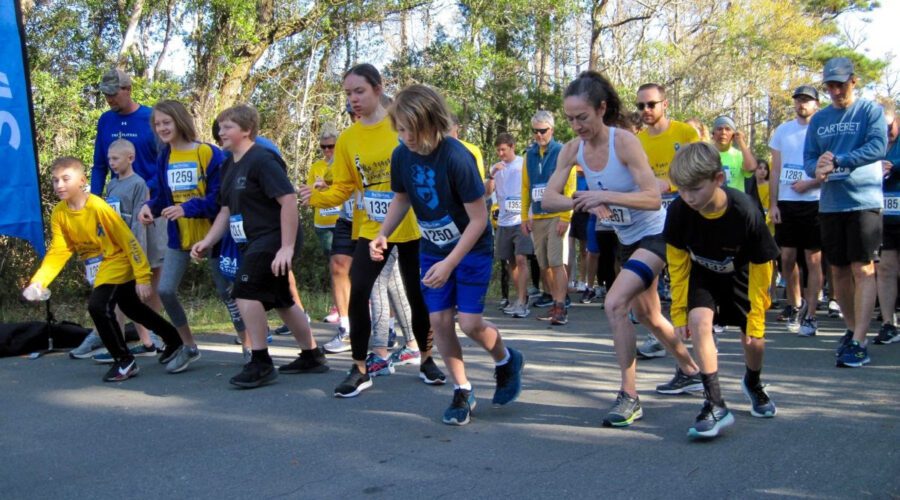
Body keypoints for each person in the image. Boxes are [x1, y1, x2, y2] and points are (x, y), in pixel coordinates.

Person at [542, 71, 702, 427]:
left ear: (601, 109)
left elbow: (650, 196)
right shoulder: (572, 149)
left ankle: (629, 396)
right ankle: (690, 370)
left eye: (582, 117)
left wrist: (606, 196)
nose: (576, 126)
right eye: (569, 119)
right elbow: (549, 199)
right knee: (649, 316)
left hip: (657, 233)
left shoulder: (625, 143)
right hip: (627, 240)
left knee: (615, 304)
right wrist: (581, 201)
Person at [375, 83, 523, 425]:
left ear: (432, 123)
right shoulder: (401, 155)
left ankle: (505, 359)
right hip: (433, 249)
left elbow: (479, 219)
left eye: (413, 130)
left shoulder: (457, 157)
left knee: (469, 323)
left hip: (470, 248)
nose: (407, 137)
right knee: (439, 320)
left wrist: (450, 262)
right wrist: (383, 234)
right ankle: (462, 390)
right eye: (400, 129)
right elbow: (402, 197)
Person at [298, 64, 444, 397]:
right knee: (359, 289)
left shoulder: (401, 127)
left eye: (359, 91)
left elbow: (427, 169)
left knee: (417, 296)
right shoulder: (348, 139)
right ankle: (360, 368)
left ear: (379, 89)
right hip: (371, 228)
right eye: (348, 94)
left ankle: (426, 359)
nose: (353, 100)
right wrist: (317, 197)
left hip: (412, 227)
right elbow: (346, 187)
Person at [192, 104, 327, 388]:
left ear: (247, 130)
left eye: (227, 127)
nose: (220, 132)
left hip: (273, 237)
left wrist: (287, 247)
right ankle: (312, 354)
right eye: (219, 127)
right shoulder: (229, 164)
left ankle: (261, 361)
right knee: (282, 300)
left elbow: (288, 200)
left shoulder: (263, 159)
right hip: (251, 240)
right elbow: (226, 210)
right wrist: (207, 241)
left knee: (243, 290)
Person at [23, 157, 182, 382]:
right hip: (98, 264)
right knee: (132, 307)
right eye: (55, 180)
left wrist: (142, 276)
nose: (59, 185)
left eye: (65, 179)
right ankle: (174, 339)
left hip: (117, 259)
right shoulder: (59, 213)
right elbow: (60, 250)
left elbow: (128, 240)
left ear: (82, 181)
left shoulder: (97, 206)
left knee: (98, 306)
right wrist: (40, 281)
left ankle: (124, 361)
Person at [665, 142, 779, 439]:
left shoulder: (745, 210)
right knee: (699, 323)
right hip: (704, 274)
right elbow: (676, 265)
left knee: (753, 340)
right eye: (681, 189)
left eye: (695, 189)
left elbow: (762, 265)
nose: (688, 197)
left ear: (718, 179)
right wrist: (678, 312)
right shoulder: (678, 212)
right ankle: (715, 402)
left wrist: (757, 314)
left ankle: (753, 383)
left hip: (743, 276)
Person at [70, 68, 168, 359]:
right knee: (115, 273)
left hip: (149, 206)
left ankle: (155, 338)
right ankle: (108, 337)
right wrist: (93, 201)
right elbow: (100, 164)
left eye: (113, 93)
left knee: (150, 275)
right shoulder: (106, 120)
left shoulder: (150, 119)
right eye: (105, 94)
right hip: (115, 209)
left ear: (128, 88)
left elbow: (163, 165)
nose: (109, 98)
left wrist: (148, 195)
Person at [137, 100, 239, 373]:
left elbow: (219, 199)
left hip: (213, 235)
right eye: (157, 124)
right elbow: (163, 197)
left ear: (180, 121)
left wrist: (186, 208)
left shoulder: (208, 153)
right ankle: (189, 346)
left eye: (166, 122)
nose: (161, 128)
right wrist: (150, 207)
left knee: (227, 292)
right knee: (166, 290)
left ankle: (252, 347)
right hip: (179, 237)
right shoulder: (164, 157)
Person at [804, 57, 888, 367]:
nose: (836, 91)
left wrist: (839, 159)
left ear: (853, 80)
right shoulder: (820, 119)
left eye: (841, 84)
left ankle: (860, 340)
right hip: (831, 203)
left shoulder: (869, 111)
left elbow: (878, 146)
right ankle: (852, 330)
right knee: (837, 270)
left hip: (863, 200)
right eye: (830, 85)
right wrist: (820, 169)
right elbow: (809, 159)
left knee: (862, 268)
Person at [634, 82, 701, 359]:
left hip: (686, 212)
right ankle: (658, 335)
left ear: (665, 104)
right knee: (653, 279)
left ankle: (698, 335)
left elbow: (703, 168)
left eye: (651, 104)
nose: (646, 110)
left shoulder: (685, 133)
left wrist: (671, 184)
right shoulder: (638, 141)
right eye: (641, 106)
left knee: (686, 275)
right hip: (653, 218)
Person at [91, 138, 164, 362]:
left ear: (130, 158)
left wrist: (137, 255)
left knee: (131, 300)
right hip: (114, 250)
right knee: (124, 301)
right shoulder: (111, 184)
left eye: (115, 158)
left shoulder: (138, 184)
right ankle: (131, 344)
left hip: (132, 249)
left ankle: (155, 339)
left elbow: (138, 223)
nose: (111, 163)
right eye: (109, 159)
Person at [769, 85, 823, 337]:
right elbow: (776, 171)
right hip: (787, 202)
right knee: (787, 258)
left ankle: (811, 313)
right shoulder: (783, 131)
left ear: (816, 104)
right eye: (799, 100)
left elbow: (830, 167)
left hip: (815, 200)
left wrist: (810, 183)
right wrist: (773, 204)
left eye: (807, 100)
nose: (802, 104)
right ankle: (795, 304)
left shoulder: (821, 129)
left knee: (813, 259)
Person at [521, 110, 576, 325]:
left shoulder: (562, 151)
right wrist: (525, 216)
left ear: (551, 130)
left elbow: (570, 186)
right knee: (543, 263)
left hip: (557, 215)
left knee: (555, 261)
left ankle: (561, 306)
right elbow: (525, 187)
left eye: (543, 131)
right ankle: (555, 302)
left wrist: (565, 216)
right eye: (535, 131)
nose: (539, 135)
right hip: (539, 216)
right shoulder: (529, 155)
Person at [485, 132, 534, 318]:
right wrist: (491, 175)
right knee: (510, 261)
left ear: (512, 147)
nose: (500, 154)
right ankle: (521, 297)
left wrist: (530, 215)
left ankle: (522, 301)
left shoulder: (523, 164)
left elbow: (530, 189)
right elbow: (487, 193)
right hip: (503, 221)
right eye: (498, 150)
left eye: (503, 149)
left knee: (521, 259)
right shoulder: (496, 168)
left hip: (520, 220)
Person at [874, 99, 900, 345]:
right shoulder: (876, 142)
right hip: (886, 213)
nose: (887, 133)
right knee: (885, 268)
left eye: (889, 127)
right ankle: (888, 323)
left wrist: (895, 166)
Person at [711, 116, 757, 192]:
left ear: (733, 134)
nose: (723, 132)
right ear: (713, 133)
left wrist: (741, 142)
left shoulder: (739, 155)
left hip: (735, 201)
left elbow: (751, 168)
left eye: (727, 129)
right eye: (719, 129)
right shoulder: (706, 155)